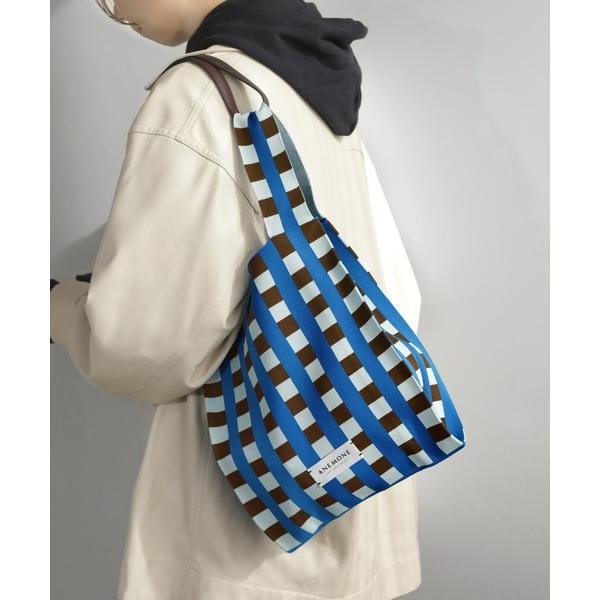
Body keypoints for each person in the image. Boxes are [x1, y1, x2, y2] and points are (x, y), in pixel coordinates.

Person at [51, 1, 424, 598]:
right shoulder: (312, 75)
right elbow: (392, 289)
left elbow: (145, 346)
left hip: (247, 535)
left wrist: (61, 309)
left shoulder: (202, 93)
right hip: (362, 483)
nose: (111, 8)